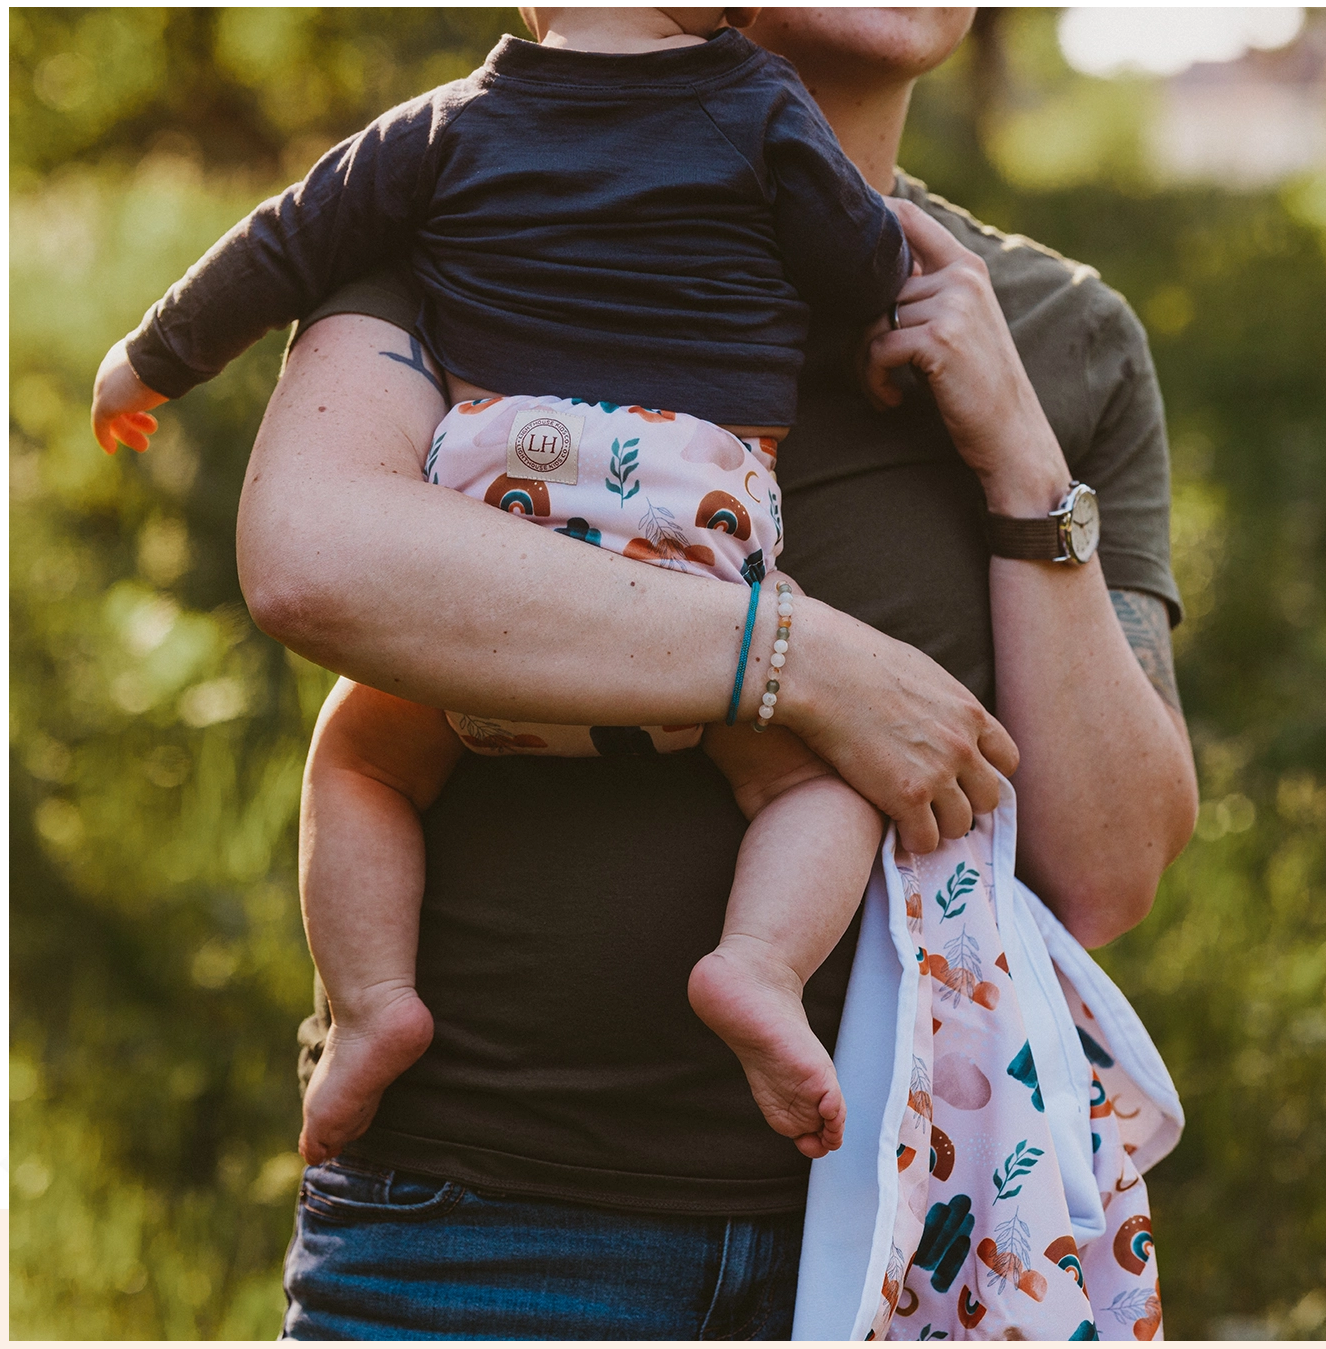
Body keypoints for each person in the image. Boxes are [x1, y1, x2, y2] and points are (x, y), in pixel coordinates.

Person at [127, 8, 1201, 1339]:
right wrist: (798, 666)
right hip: (485, 1231)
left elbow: (1107, 870)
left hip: (905, 1236)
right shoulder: (481, 194)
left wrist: (1025, 464)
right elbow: (311, 560)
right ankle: (380, 1011)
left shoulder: (1056, 328)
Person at [90, 5, 927, 1168]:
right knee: (815, 784)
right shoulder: (762, 108)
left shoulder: (442, 126)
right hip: (689, 523)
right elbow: (865, 267)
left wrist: (146, 361)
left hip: (498, 519)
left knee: (361, 759)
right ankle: (757, 965)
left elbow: (282, 247)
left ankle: (374, 1001)